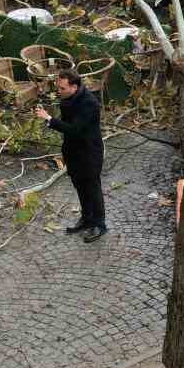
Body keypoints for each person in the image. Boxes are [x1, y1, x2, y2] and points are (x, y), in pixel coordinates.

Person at [35, 70, 106, 243]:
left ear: (74, 86)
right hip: (73, 151)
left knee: (92, 188)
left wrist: (49, 119)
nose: (58, 91)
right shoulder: (68, 98)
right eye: (58, 87)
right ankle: (87, 218)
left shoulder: (90, 103)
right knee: (80, 186)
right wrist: (50, 121)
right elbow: (67, 125)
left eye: (62, 88)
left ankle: (99, 224)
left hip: (89, 152)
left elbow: (75, 129)